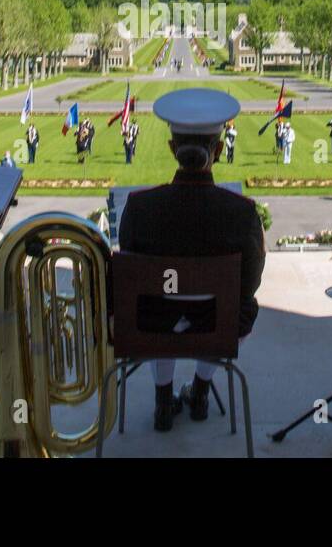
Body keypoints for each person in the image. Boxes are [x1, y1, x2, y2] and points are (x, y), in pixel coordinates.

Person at [118, 89, 266, 432]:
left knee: (160, 304)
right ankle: (200, 390)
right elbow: (250, 285)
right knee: (227, 306)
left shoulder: (140, 207)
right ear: (217, 149)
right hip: (220, 327)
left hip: (150, 327)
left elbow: (131, 272)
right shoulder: (241, 213)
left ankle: (163, 400)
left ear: (172, 150)